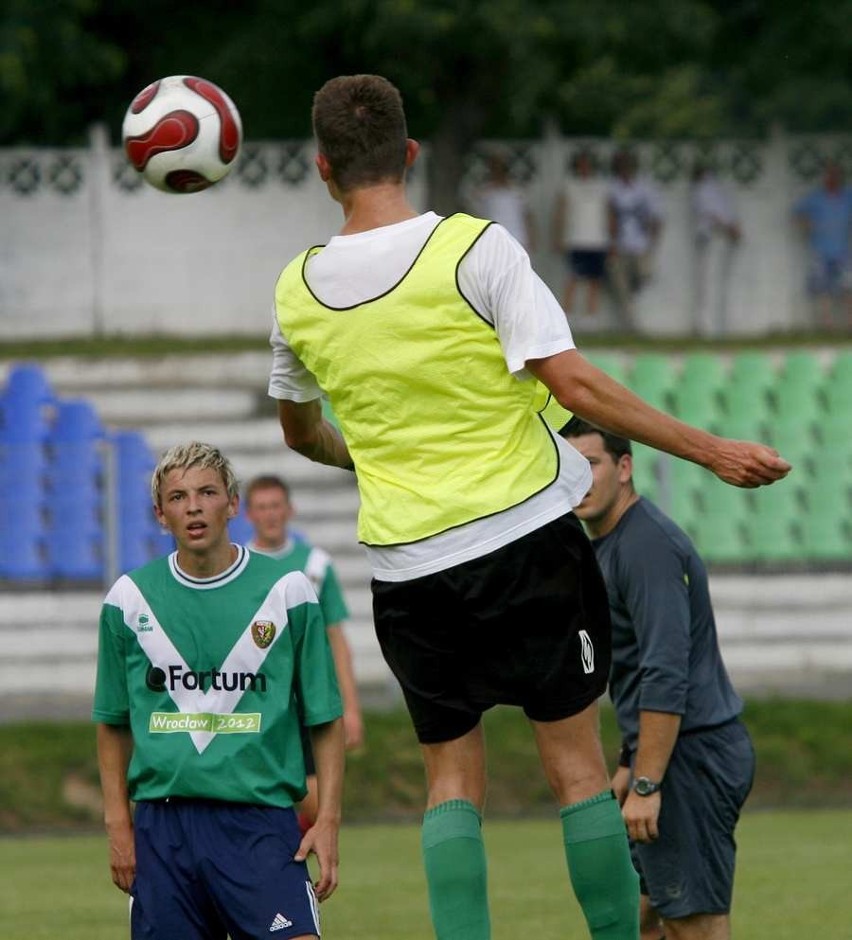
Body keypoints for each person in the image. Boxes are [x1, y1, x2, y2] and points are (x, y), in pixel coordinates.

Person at [267, 74, 789, 940]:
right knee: (578, 771)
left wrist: (374, 457)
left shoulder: (296, 290)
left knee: (450, 783)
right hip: (524, 543)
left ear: (322, 169)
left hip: (409, 570)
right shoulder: (477, 250)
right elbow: (573, 382)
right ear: (410, 154)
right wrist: (714, 449)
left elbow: (301, 432)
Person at [93, 442, 344, 940]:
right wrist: (118, 825)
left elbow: (325, 716)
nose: (193, 506)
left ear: (232, 503)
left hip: (259, 823)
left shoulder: (288, 591)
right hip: (164, 829)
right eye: (179, 496)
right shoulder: (128, 599)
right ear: (160, 514)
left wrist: (329, 819)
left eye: (207, 492)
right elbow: (112, 722)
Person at [561, 417, 755, 940]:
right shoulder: (607, 543)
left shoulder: (645, 546)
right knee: (642, 915)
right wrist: (629, 763)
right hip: (660, 753)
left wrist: (647, 783)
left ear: (625, 468)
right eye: (570, 466)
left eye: (593, 464)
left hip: (689, 755)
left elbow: (666, 670)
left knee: (694, 923)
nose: (581, 479)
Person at [243, 472, 364, 830]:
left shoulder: (316, 565)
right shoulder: (238, 566)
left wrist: (352, 709)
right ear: (248, 514)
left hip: (306, 698)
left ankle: (294, 859)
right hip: (259, 699)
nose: (270, 514)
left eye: (276, 506)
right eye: (262, 507)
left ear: (289, 509)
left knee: (314, 794)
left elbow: (336, 641)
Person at [607, 150, 664, 331]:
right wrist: (611, 244)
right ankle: (631, 325)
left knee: (644, 275)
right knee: (621, 287)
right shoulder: (613, 188)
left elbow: (656, 217)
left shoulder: (643, 188)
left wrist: (651, 242)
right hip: (621, 244)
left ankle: (634, 297)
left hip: (640, 245)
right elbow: (610, 218)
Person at [792, 160, 852, 331]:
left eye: (835, 175)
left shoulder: (848, 196)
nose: (832, 178)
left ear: (840, 177)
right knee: (822, 289)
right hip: (820, 251)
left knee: (848, 287)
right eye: (829, 175)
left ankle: (850, 324)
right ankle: (827, 326)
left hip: (843, 251)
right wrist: (807, 226)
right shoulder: (815, 198)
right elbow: (796, 213)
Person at [551, 149, 610, 317]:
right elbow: (560, 213)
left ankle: (591, 316)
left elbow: (608, 212)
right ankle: (566, 316)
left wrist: (611, 239)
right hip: (576, 239)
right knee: (573, 278)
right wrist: (558, 237)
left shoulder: (601, 185)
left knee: (595, 281)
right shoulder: (569, 184)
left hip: (598, 240)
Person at [690, 160, 741, 338]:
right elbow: (713, 214)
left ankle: (714, 327)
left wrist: (731, 228)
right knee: (709, 284)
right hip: (712, 237)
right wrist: (730, 228)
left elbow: (718, 213)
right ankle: (707, 328)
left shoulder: (710, 189)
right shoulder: (705, 190)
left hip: (717, 238)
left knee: (712, 284)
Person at [467, 150, 536, 252]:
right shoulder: (483, 192)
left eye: (501, 167)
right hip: (492, 238)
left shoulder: (517, 191)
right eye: (495, 168)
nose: (498, 171)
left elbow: (527, 215)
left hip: (517, 238)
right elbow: (475, 215)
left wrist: (532, 237)